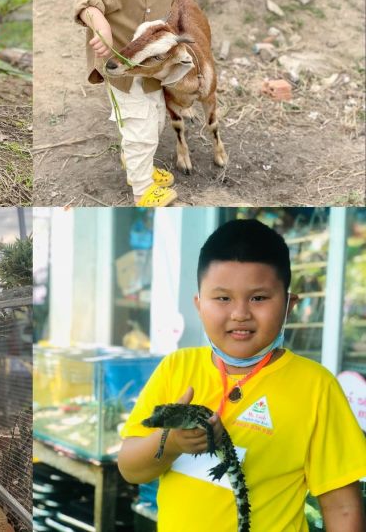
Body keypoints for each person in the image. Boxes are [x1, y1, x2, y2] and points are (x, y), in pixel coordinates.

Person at [118, 219, 366, 530]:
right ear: (199, 305)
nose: (240, 313)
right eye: (222, 298)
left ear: (289, 305)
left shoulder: (317, 387)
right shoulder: (176, 367)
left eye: (259, 298)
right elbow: (130, 469)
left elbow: (343, 508)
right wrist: (172, 443)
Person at [73, 0, 195, 207]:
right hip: (121, 71)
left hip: (148, 70)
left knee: (154, 120)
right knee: (140, 126)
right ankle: (142, 190)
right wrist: (98, 21)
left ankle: (137, 161)